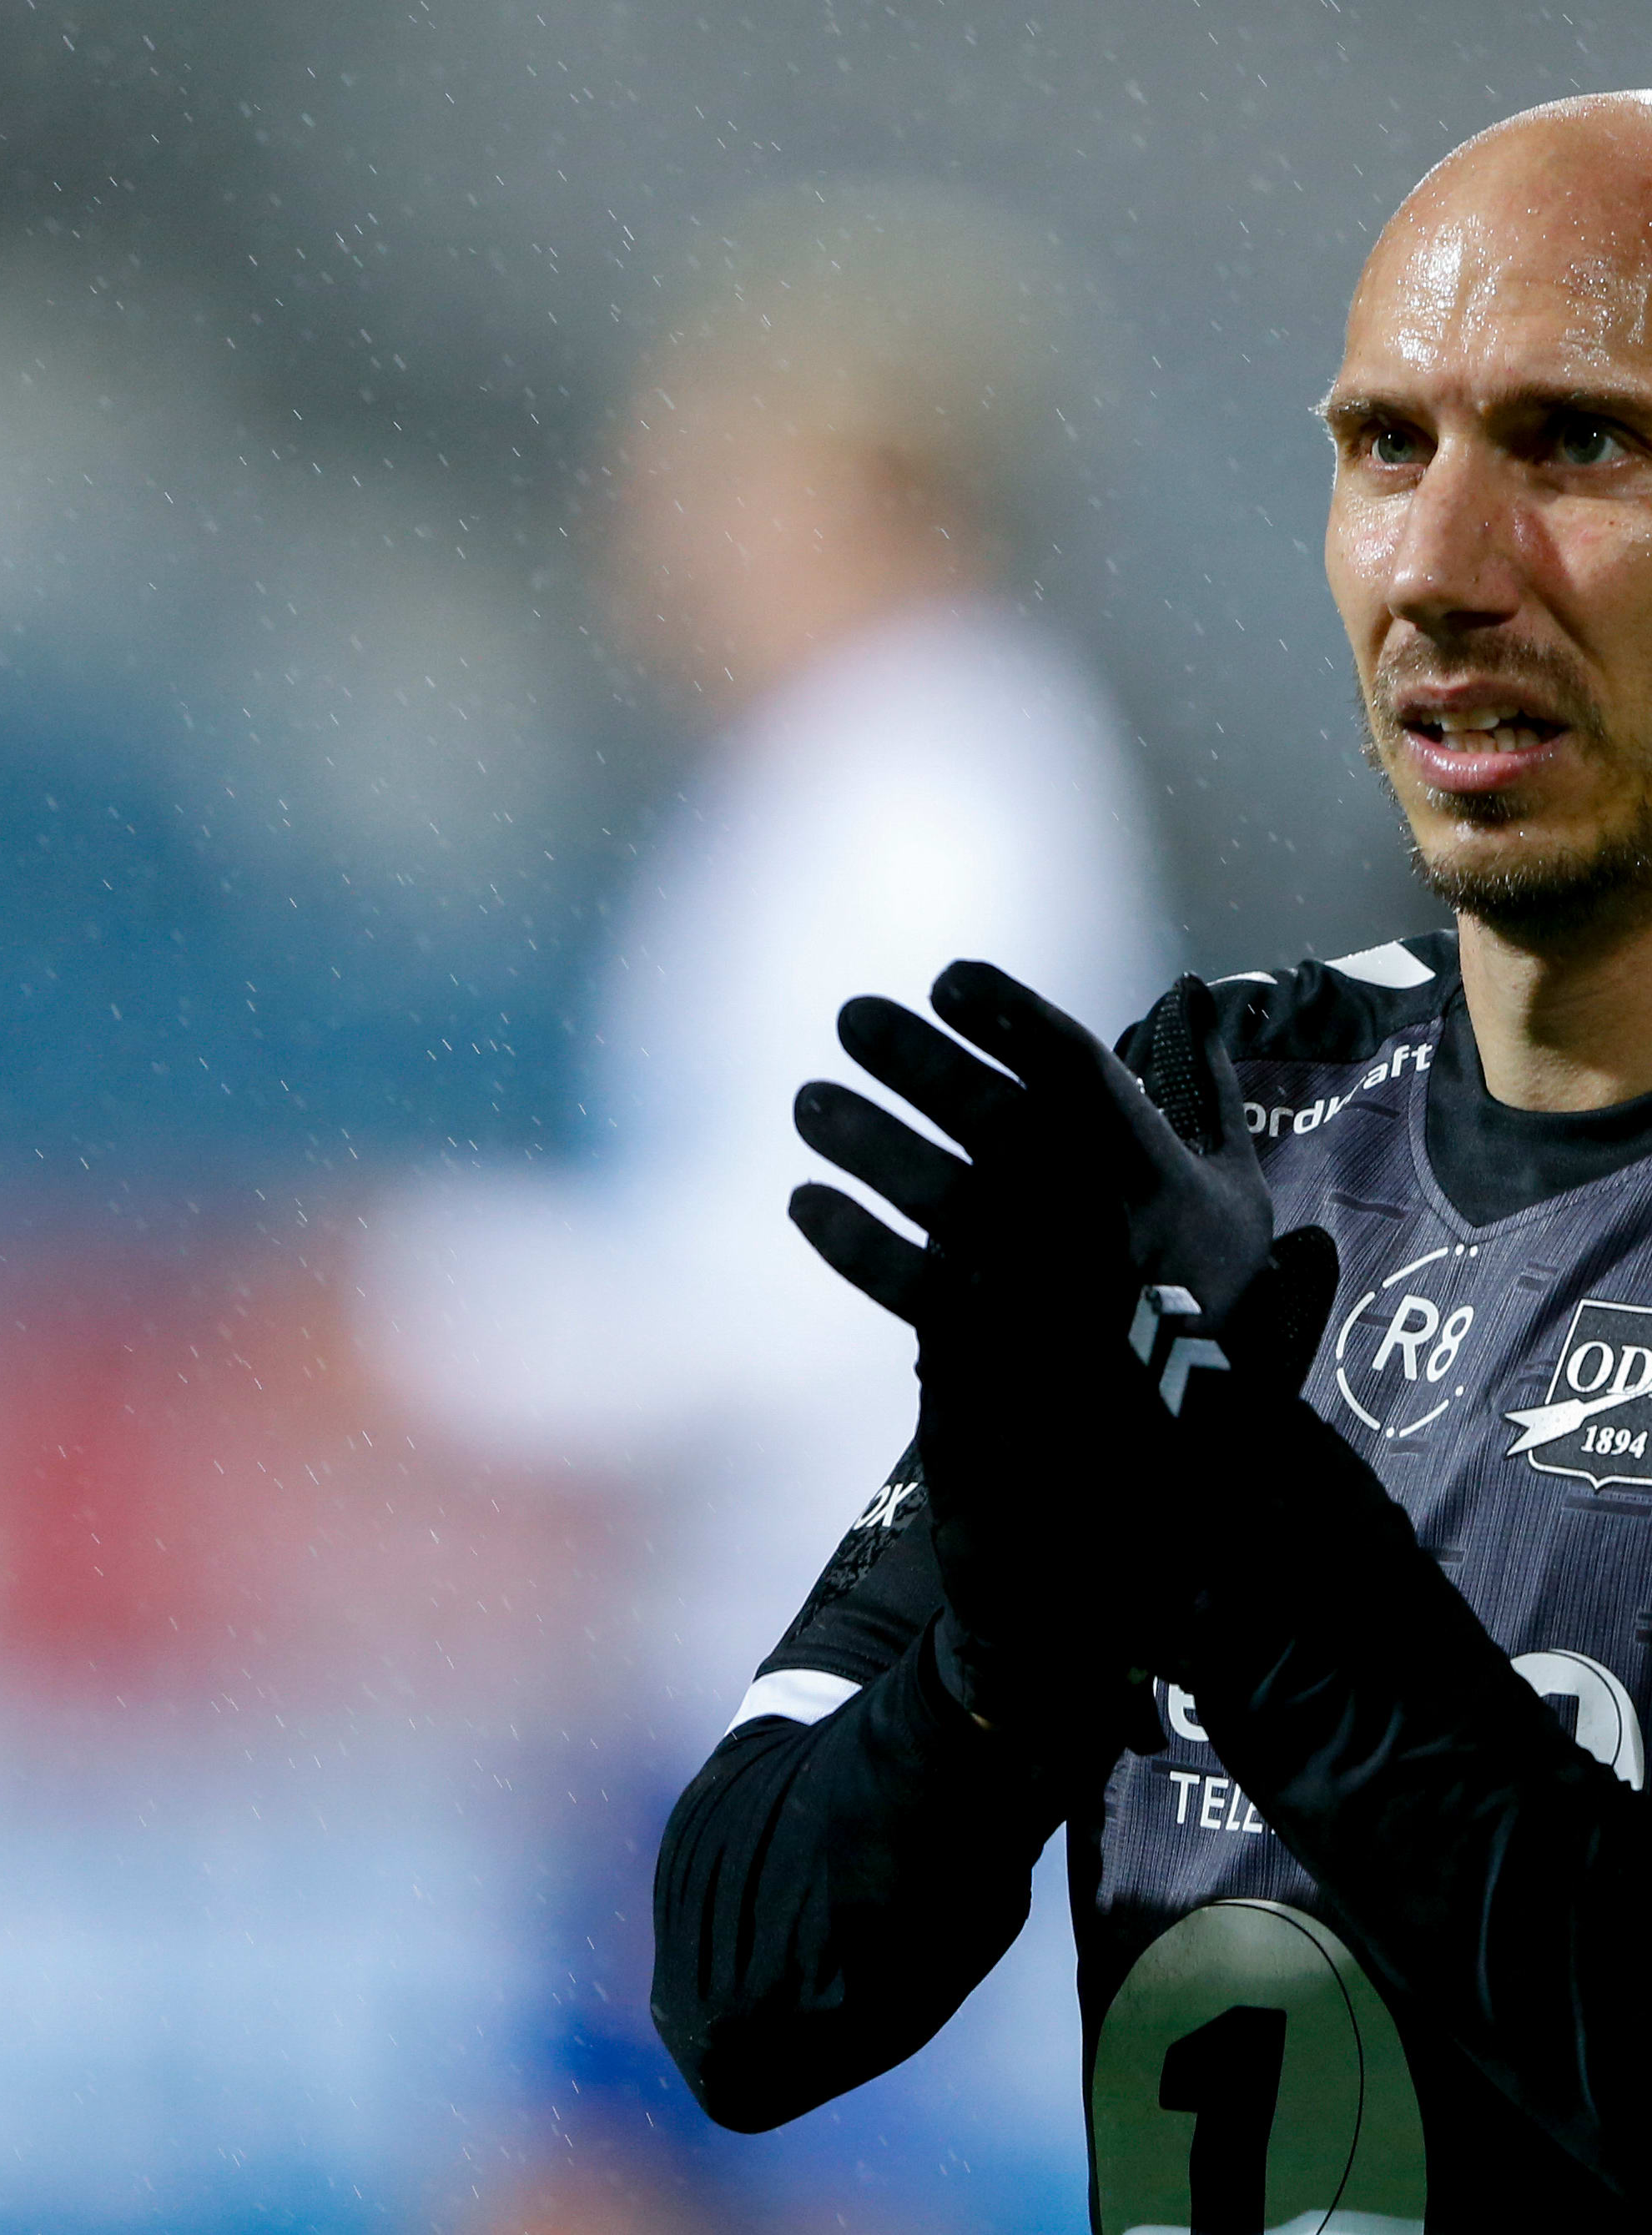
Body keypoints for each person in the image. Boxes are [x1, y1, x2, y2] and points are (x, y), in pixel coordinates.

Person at [652, 90, 1652, 2229]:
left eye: (1581, 444)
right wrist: (1008, 1637)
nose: (1441, 563)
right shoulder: (1223, 1111)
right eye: (1384, 447)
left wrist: (1229, 1529)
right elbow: (747, 1994)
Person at [354, 188, 1166, 2226]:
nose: (653, 531)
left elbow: (835, 1276)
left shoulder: (922, 805)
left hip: (846, 1649)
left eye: (712, 476)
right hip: (781, 1635)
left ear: (878, 499)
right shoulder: (864, 781)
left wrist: (443, 1317)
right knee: (601, 2171)